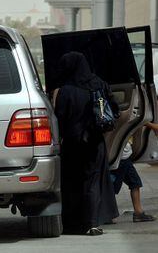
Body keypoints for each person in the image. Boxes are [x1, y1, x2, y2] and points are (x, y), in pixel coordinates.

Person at [54, 52, 119, 235]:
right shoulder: (98, 84)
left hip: (72, 144)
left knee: (72, 181)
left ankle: (72, 223)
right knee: (92, 181)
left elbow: (60, 118)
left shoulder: (65, 90)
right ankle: (91, 223)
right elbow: (114, 110)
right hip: (95, 141)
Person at [110, 135, 156, 223]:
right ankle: (109, 214)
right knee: (112, 187)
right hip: (120, 157)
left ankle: (138, 212)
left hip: (124, 156)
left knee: (135, 183)